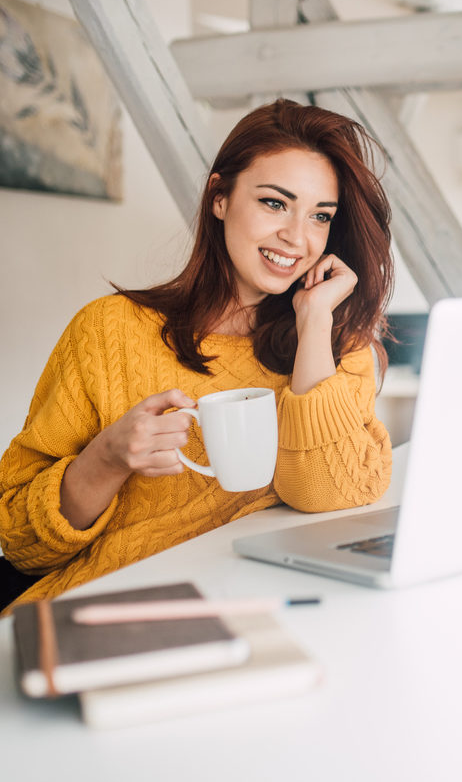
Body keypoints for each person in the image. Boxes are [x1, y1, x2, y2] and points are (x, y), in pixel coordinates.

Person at [0, 99, 394, 613]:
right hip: (109, 613)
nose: (297, 238)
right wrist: (107, 457)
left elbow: (326, 491)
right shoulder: (107, 331)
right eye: (275, 203)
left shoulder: (335, 340)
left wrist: (314, 321)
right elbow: (19, 540)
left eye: (320, 216)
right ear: (219, 198)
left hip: (260, 611)